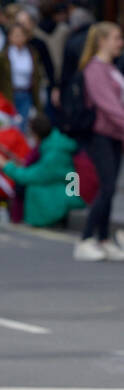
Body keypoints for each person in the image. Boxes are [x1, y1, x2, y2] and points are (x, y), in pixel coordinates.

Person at [74, 22, 124, 261]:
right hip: (101, 134)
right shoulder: (95, 69)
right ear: (102, 40)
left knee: (110, 186)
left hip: (115, 134)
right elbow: (108, 105)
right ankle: (85, 239)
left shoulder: (111, 68)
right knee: (106, 187)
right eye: (116, 38)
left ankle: (103, 239)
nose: (120, 43)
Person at [0, 114, 84, 228]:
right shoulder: (53, 143)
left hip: (69, 192)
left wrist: (5, 165)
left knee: (32, 188)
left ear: (36, 134)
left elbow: (33, 176)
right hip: (65, 186)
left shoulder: (54, 152)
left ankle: (40, 220)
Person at [0, 21, 47, 124]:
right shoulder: (3, 55)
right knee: (10, 124)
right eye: (15, 35)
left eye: (21, 35)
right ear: (9, 37)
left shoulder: (32, 53)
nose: (18, 38)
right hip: (10, 94)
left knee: (24, 124)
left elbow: (36, 75)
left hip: (27, 94)